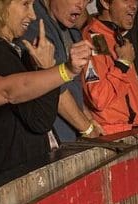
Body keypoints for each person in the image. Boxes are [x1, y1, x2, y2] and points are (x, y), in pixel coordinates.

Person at [0, 0, 61, 179]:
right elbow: (39, 120)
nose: (32, 15)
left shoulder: (14, 51)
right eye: (25, 4)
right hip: (15, 178)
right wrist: (52, 69)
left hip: (25, 172)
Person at [22, 0, 103, 142]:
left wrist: (89, 119)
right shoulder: (35, 23)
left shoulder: (69, 30)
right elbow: (53, 86)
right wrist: (87, 128)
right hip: (50, 142)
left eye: (87, 1)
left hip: (71, 137)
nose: (82, 5)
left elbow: (71, 88)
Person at [81, 0, 138, 135]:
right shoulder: (97, 38)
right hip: (115, 137)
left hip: (132, 132)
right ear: (105, 3)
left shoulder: (114, 36)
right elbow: (99, 99)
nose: (134, 5)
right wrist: (123, 63)